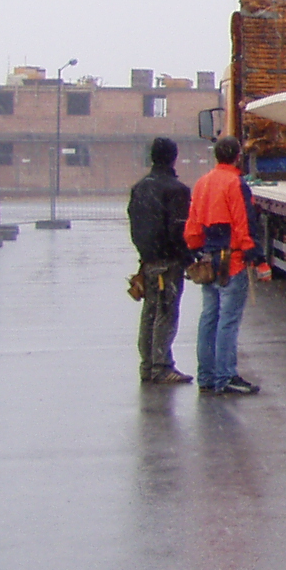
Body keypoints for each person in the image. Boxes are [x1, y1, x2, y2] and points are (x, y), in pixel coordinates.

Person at [185, 135, 260, 396]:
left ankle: (206, 375)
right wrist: (253, 253)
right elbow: (243, 220)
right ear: (238, 156)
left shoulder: (202, 183)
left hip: (208, 258)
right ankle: (226, 375)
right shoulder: (235, 183)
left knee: (209, 317)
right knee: (228, 321)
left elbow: (193, 224)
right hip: (232, 261)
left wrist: (196, 249)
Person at [127, 137, 193, 385]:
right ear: (173, 157)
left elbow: (134, 223)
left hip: (148, 259)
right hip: (168, 260)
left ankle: (147, 365)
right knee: (166, 313)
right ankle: (162, 366)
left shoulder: (140, 187)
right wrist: (187, 257)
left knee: (150, 313)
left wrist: (145, 253)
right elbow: (178, 230)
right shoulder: (176, 190)